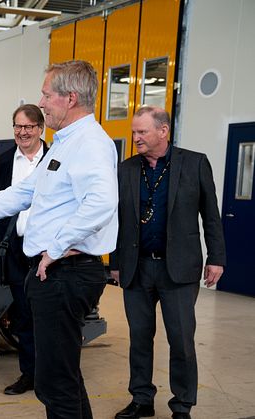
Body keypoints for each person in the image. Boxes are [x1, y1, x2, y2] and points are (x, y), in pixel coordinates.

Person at [0, 60, 118, 418]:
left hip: (65, 272)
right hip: (55, 271)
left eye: (46, 94)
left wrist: (55, 248)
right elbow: (27, 189)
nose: (41, 102)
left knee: (54, 382)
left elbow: (102, 202)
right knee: (62, 376)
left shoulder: (90, 143)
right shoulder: (65, 143)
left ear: (70, 98)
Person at [110, 107, 225, 419]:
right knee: (139, 339)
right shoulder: (127, 169)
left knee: (181, 340)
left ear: (163, 131)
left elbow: (211, 215)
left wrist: (216, 258)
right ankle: (142, 400)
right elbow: (118, 220)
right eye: (134, 132)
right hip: (137, 267)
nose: (135, 138)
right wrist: (116, 262)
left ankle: (182, 405)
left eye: (142, 132)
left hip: (179, 269)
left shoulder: (194, 162)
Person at [0, 104, 48, 395]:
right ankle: (29, 375)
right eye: (18, 127)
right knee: (23, 316)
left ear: (40, 128)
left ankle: (52, 375)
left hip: (51, 250)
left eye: (29, 127)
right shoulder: (2, 161)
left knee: (50, 315)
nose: (23, 132)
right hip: (16, 249)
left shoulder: (56, 158)